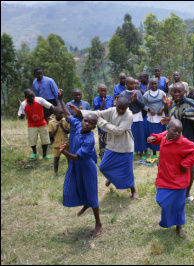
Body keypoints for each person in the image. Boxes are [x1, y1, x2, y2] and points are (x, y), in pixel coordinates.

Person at [70, 97, 138, 199]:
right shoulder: (112, 110)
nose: (120, 110)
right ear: (116, 105)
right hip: (112, 145)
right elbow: (97, 113)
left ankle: (133, 190)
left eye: (122, 109)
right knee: (103, 167)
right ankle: (112, 178)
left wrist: (100, 122)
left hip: (125, 146)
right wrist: (80, 111)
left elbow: (118, 130)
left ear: (127, 108)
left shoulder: (129, 115)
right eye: (118, 108)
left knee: (127, 171)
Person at [57, 89, 102, 237]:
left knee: (92, 194)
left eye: (90, 123)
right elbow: (68, 115)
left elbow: (76, 157)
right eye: (85, 120)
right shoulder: (77, 126)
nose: (86, 124)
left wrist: (64, 152)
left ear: (94, 127)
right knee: (77, 187)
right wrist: (61, 100)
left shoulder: (89, 139)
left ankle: (98, 223)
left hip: (86, 167)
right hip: (76, 166)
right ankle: (86, 203)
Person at [147, 119, 194, 237]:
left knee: (179, 204)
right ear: (167, 129)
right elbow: (159, 138)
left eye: (179, 131)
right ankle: (169, 220)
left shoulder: (183, 142)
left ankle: (179, 227)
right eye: (174, 131)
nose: (177, 133)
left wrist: (185, 163)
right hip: (164, 175)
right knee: (161, 200)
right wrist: (154, 138)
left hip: (178, 180)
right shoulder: (165, 135)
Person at [161, 82, 194, 203]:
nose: (177, 94)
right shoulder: (174, 105)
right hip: (175, 143)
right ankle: (176, 192)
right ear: (171, 92)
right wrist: (170, 120)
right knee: (175, 169)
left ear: (185, 92)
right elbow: (177, 121)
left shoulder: (189, 102)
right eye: (174, 91)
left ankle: (187, 194)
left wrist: (188, 113)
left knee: (190, 169)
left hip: (189, 142)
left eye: (179, 91)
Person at [18, 89, 54, 160]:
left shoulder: (39, 100)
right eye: (30, 97)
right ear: (26, 97)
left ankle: (44, 155)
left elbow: (51, 106)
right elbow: (20, 116)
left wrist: (50, 113)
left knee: (45, 139)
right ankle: (34, 153)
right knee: (32, 139)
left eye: (33, 96)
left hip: (42, 123)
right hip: (32, 124)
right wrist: (21, 116)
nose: (32, 98)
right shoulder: (23, 104)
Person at [120, 77, 147, 158]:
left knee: (140, 134)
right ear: (126, 85)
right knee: (130, 135)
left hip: (138, 116)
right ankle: (131, 151)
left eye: (134, 83)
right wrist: (130, 102)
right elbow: (122, 108)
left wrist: (136, 99)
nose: (134, 85)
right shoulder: (123, 94)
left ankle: (141, 152)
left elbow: (142, 105)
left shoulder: (138, 92)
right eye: (131, 84)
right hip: (128, 117)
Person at [143, 78, 168, 158]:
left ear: (158, 84)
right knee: (154, 135)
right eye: (152, 84)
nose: (154, 85)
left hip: (161, 117)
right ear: (149, 85)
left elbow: (166, 102)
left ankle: (163, 152)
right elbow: (143, 105)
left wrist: (162, 108)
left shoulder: (162, 93)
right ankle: (154, 153)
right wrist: (149, 109)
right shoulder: (146, 94)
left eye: (155, 83)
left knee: (163, 134)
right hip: (152, 118)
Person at [93, 84, 114, 159]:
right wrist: (103, 105)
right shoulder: (96, 100)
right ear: (98, 91)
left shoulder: (110, 98)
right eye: (101, 90)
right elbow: (97, 112)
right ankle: (103, 156)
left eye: (104, 90)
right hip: (101, 123)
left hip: (110, 122)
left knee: (111, 140)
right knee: (102, 140)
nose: (103, 92)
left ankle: (111, 156)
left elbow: (113, 109)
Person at [48, 106, 70, 178]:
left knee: (69, 158)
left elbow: (68, 131)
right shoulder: (51, 122)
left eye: (62, 113)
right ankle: (55, 172)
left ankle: (70, 171)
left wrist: (62, 127)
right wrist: (57, 128)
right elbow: (51, 134)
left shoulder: (66, 121)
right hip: (57, 144)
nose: (62, 115)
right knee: (56, 158)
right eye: (60, 113)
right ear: (54, 114)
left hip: (66, 143)